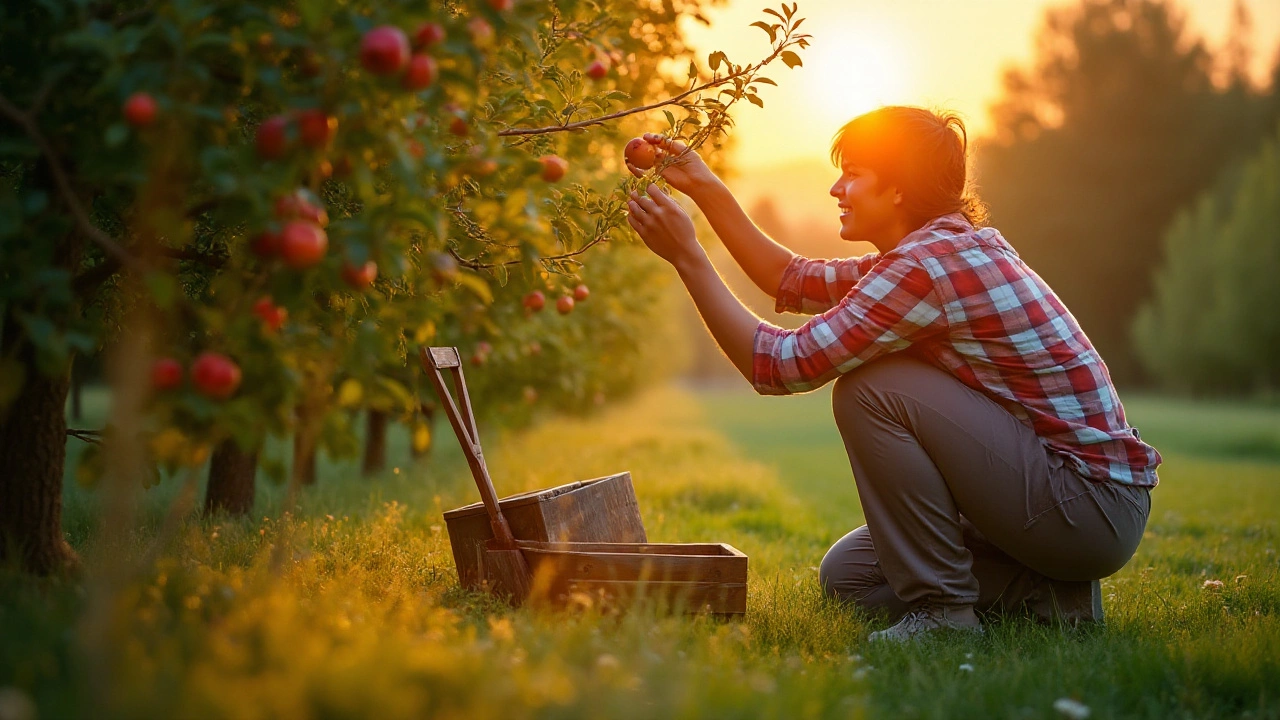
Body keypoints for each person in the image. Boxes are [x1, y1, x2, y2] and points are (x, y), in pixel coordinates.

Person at [623, 106, 1160, 642]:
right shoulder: (934, 253)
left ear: (899, 189)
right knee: (850, 576)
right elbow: (789, 279)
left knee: (870, 390)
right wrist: (707, 188)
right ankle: (1052, 599)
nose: (836, 188)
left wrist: (688, 257)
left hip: (1086, 506)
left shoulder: (928, 267)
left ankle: (944, 616)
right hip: (1078, 503)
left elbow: (777, 365)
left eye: (853, 173)